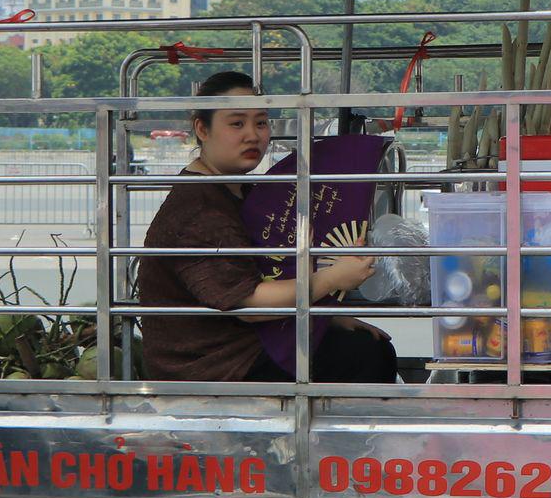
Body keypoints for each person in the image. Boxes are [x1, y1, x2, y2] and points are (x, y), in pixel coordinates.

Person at [137, 70, 396, 384]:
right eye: (236, 123)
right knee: (364, 355)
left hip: (242, 346)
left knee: (370, 346)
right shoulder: (199, 209)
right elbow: (250, 304)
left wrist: (329, 318)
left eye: (260, 122)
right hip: (211, 364)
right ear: (202, 129)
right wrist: (330, 279)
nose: (253, 135)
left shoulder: (237, 191)